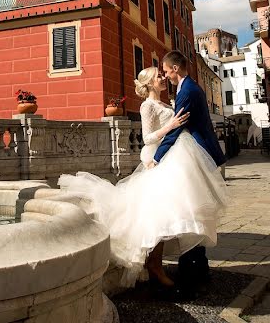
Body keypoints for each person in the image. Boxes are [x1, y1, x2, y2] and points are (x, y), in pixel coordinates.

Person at [58, 63, 229, 289]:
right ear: (150, 83)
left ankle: (177, 263)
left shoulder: (165, 102)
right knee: (156, 213)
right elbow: (148, 137)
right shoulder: (147, 106)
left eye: (163, 74)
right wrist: (171, 126)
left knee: (170, 211)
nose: (163, 78)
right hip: (157, 158)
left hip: (173, 156)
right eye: (159, 76)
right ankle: (156, 266)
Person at [154, 50, 228, 280]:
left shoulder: (186, 90)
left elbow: (177, 128)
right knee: (194, 206)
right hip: (198, 151)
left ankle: (192, 269)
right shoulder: (189, 87)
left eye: (166, 71)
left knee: (191, 207)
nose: (165, 76)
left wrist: (157, 157)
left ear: (175, 69)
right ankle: (198, 265)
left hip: (198, 152)